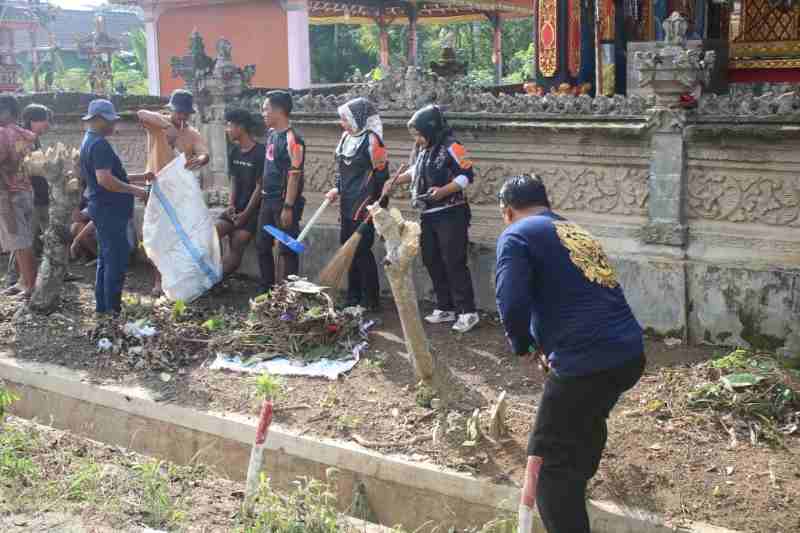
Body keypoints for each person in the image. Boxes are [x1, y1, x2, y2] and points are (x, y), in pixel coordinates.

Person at [493, 174, 645, 533]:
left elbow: (510, 300)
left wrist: (524, 345)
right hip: (627, 353)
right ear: (546, 203)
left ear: (508, 211)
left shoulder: (515, 234)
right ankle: (576, 486)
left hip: (585, 361)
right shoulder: (574, 231)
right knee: (584, 422)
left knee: (548, 466)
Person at [383, 104, 479, 333]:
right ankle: (445, 307)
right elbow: (416, 171)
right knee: (431, 259)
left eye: (419, 134)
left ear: (431, 128)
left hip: (451, 213)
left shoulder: (452, 146)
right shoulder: (425, 148)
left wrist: (444, 190)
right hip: (428, 214)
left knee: (453, 260)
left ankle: (467, 311)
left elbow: (467, 176)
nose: (417, 139)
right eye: (414, 135)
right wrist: (395, 181)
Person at [80, 99, 152, 316]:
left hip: (103, 208)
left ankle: (103, 307)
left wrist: (141, 177)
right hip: (110, 211)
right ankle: (112, 309)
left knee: (106, 259)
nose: (114, 125)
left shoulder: (89, 140)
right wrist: (137, 191)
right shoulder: (99, 144)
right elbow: (105, 180)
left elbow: (111, 176)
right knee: (116, 261)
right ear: (98, 120)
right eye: (110, 121)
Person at [137, 89, 210, 295]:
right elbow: (140, 113)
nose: (182, 117)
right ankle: (158, 281)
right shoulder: (156, 125)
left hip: (179, 192)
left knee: (178, 237)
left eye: (186, 113)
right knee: (156, 236)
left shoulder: (191, 133)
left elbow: (204, 152)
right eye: (179, 112)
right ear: (172, 110)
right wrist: (167, 125)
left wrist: (202, 159)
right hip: (156, 188)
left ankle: (177, 279)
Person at [325, 97, 388, 310]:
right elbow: (341, 172)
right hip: (347, 203)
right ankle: (353, 298)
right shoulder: (345, 138)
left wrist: (378, 208)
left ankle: (370, 300)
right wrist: (336, 188)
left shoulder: (372, 141)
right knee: (347, 248)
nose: (342, 123)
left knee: (361, 251)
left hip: (365, 203)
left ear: (357, 118)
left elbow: (382, 177)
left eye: (345, 119)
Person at [256, 90, 305, 292]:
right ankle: (267, 291)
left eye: (266, 109)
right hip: (267, 201)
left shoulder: (293, 139)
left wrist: (288, 206)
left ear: (278, 111)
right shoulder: (271, 135)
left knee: (288, 249)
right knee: (262, 245)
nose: (263, 113)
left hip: (283, 203)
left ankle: (290, 294)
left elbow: (295, 174)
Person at [215, 108, 264, 277]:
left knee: (237, 242)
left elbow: (259, 188)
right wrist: (230, 205)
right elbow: (234, 180)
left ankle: (215, 280)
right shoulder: (234, 151)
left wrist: (245, 214)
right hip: (235, 209)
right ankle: (206, 275)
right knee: (212, 233)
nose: (227, 129)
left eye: (230, 125)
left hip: (253, 212)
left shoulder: (260, 153)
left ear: (241, 127)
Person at [0, 95, 38, 298]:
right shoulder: (26, 135)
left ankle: (29, 286)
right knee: (24, 241)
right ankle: (26, 281)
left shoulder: (2, 134)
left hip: (9, 194)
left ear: (6, 112)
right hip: (25, 190)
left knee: (19, 242)